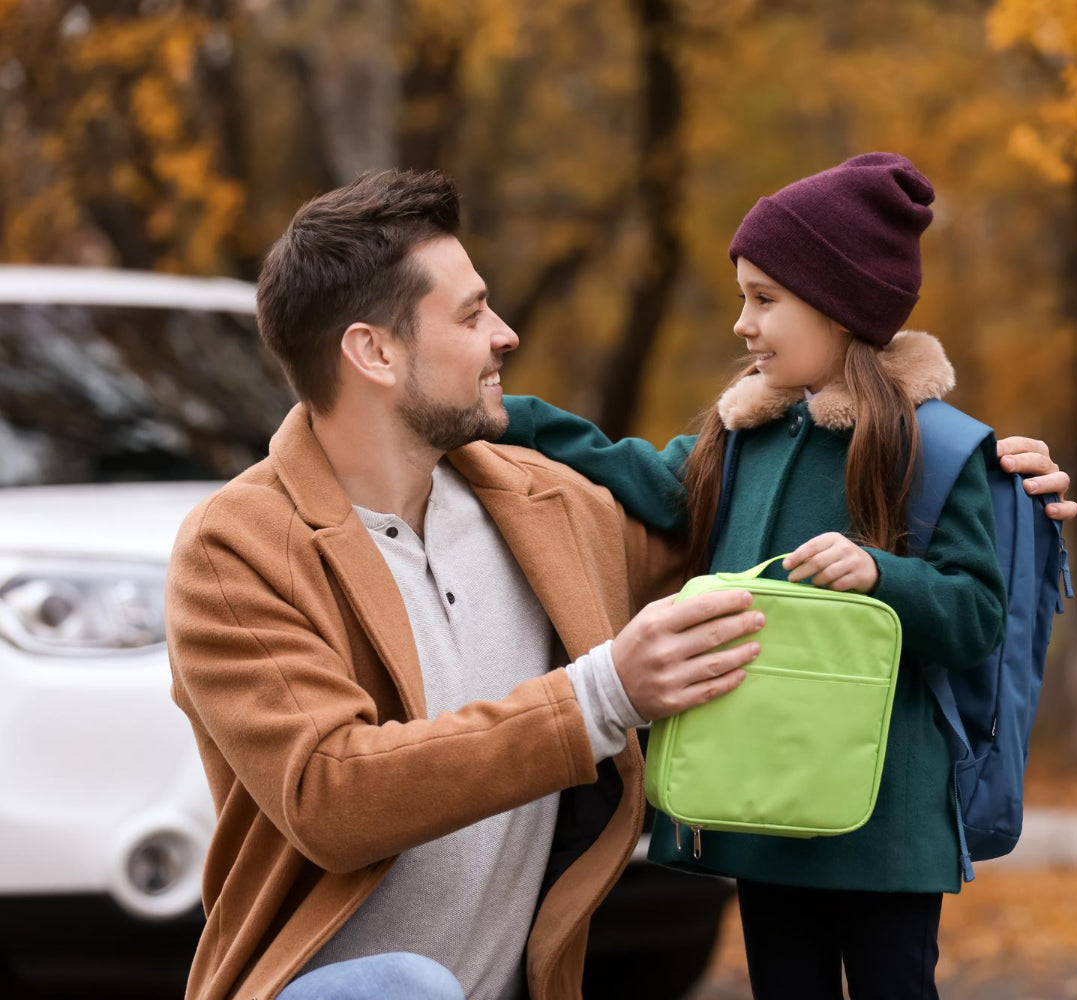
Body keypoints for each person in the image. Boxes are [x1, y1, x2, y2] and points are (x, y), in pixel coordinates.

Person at [163, 169, 770, 1000]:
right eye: (471, 313)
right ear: (374, 351)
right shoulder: (236, 551)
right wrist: (597, 697)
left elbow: (749, 543)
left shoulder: (550, 508)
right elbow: (332, 796)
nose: (505, 334)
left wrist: (972, 480)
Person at [499, 153, 1074, 998]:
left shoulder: (938, 448)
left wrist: (882, 575)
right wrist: (507, 418)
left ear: (841, 309)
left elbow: (976, 615)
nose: (743, 323)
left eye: (765, 299)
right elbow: (639, 473)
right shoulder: (741, 442)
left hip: (888, 815)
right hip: (763, 795)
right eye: (743, 297)